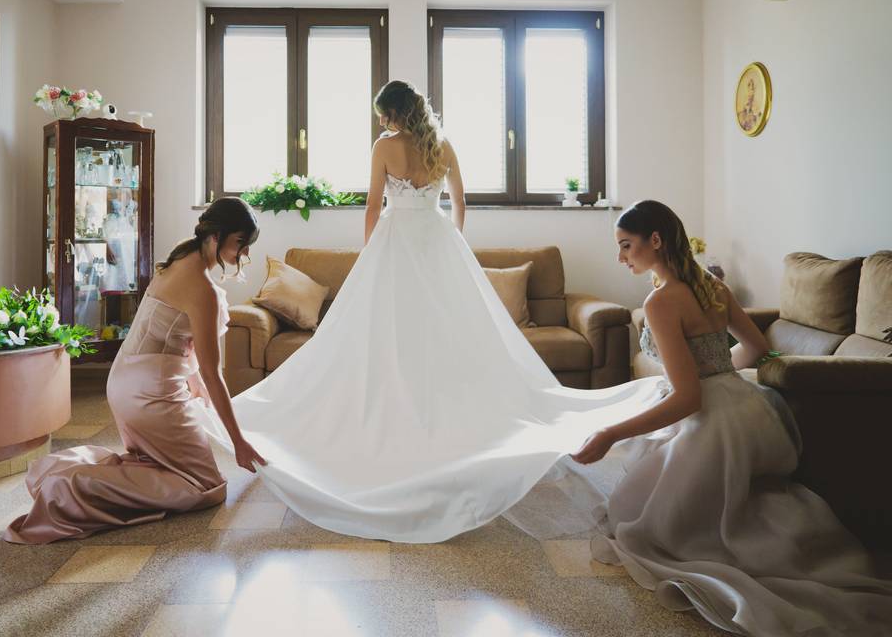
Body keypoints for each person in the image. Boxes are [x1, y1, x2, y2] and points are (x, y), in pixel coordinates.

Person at [208, 81, 662, 542]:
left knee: (388, 340)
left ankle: (396, 431)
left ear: (393, 114)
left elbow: (371, 208)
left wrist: (371, 255)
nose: (382, 123)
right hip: (437, 241)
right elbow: (462, 203)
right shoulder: (442, 145)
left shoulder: (384, 147)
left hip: (395, 245)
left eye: (384, 115)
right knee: (443, 342)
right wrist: (454, 245)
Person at [575, 200, 892, 636]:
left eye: (626, 246)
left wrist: (612, 433)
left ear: (655, 240)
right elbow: (758, 350)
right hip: (746, 405)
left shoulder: (660, 302)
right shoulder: (712, 286)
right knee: (735, 502)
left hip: (711, 422)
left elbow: (687, 398)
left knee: (644, 525)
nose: (621, 257)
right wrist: (718, 373)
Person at [5, 197, 267, 544]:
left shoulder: (177, 258)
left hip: (125, 381)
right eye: (240, 244)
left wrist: (193, 384)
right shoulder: (203, 289)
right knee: (206, 487)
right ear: (216, 236)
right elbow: (212, 371)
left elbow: (169, 336)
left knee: (152, 462)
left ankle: (66, 473)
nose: (243, 255)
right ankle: (67, 487)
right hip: (150, 394)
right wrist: (239, 442)